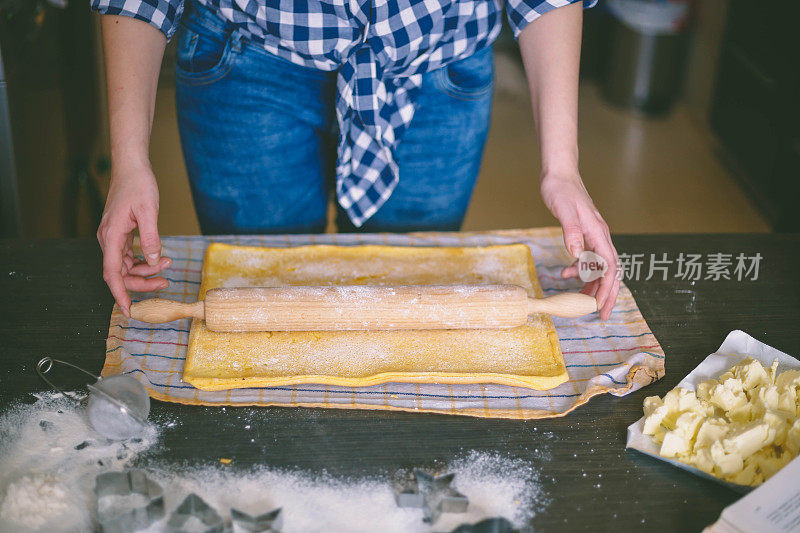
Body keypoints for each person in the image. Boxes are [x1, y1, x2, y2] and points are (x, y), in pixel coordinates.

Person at [93, 0, 619, 320]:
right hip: (247, 57)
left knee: (412, 293)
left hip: (437, 65)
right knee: (255, 287)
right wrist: (130, 162)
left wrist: (562, 169)